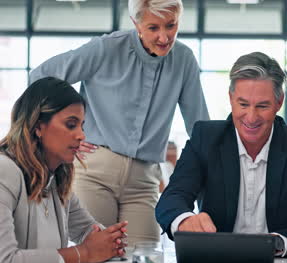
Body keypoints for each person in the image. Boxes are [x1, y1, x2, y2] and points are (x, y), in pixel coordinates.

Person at [29, 0, 209, 246]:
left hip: (144, 180)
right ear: (136, 23)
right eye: (153, 27)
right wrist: (66, 134)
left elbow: (199, 126)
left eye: (171, 25)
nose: (165, 37)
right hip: (94, 174)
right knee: (93, 255)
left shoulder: (185, 60)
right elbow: (39, 77)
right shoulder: (105, 48)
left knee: (146, 256)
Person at [156, 52, 287, 257]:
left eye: (262, 106)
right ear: (231, 99)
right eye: (243, 104)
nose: (251, 117)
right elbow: (172, 198)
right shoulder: (206, 137)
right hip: (218, 260)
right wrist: (185, 220)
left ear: (279, 102)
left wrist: (273, 243)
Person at [0, 77, 128, 263]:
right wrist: (83, 254)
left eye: (82, 125)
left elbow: (87, 231)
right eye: (70, 124)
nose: (82, 135)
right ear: (38, 127)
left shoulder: (56, 178)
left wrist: (110, 241)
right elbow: (6, 260)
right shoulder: (4, 171)